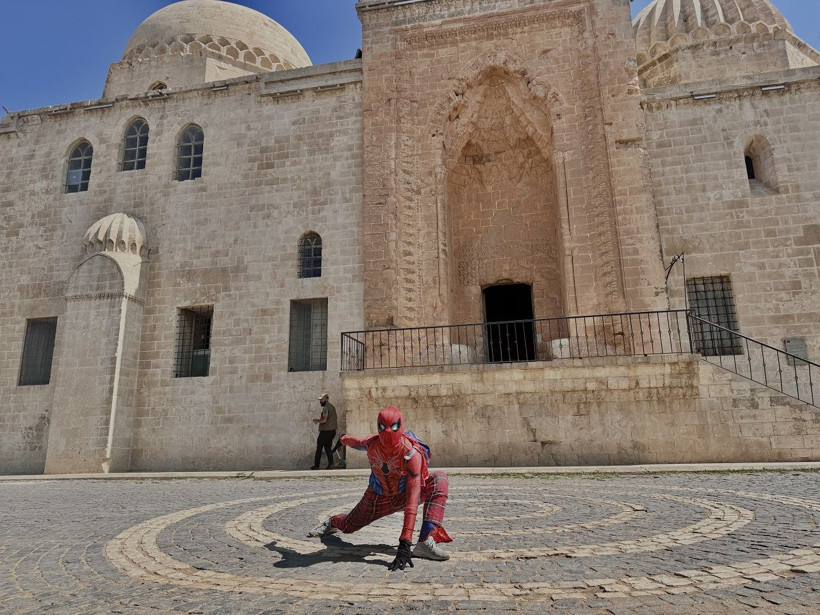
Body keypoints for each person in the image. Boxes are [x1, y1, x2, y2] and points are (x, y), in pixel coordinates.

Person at [307, 406, 452, 570]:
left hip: (403, 495)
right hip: (376, 497)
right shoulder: (372, 443)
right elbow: (357, 442)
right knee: (349, 525)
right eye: (384, 427)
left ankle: (425, 540)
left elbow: (412, 501)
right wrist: (343, 439)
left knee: (439, 479)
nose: (388, 433)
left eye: (393, 427)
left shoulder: (411, 455)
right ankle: (332, 521)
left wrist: (404, 543)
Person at [311, 393, 337, 470]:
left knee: (319, 447)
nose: (320, 402)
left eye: (322, 400)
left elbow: (324, 420)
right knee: (327, 447)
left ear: (326, 399)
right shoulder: (332, 407)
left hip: (325, 431)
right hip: (332, 431)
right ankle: (331, 463)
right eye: (320, 400)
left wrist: (317, 421)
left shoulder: (326, 408)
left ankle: (316, 465)